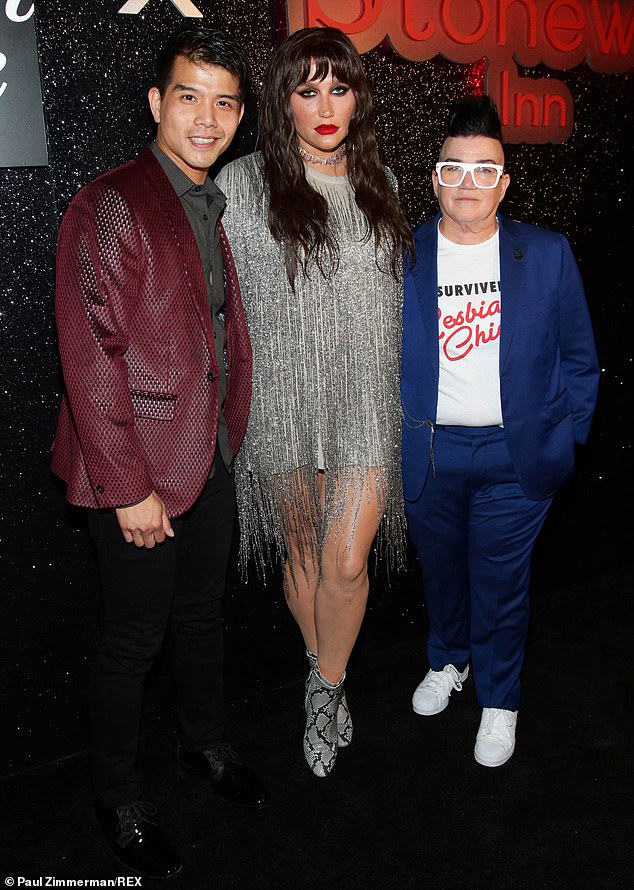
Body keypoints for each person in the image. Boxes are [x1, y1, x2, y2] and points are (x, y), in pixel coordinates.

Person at [51, 27, 269, 880]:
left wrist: (224, 443)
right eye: (190, 96)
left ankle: (202, 746)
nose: (207, 118)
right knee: (133, 641)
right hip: (135, 473)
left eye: (224, 102)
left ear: (241, 115)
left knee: (203, 622)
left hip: (206, 455)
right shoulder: (110, 203)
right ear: (155, 103)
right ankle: (115, 793)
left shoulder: (208, 201)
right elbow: (88, 352)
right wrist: (127, 488)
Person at [216, 27, 413, 778]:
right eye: (307, 90)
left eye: (339, 87)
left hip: (368, 400)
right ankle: (322, 671)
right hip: (280, 401)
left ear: (358, 96)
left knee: (347, 558)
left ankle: (325, 687)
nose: (325, 105)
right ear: (283, 101)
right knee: (302, 555)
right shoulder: (239, 183)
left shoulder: (384, 183)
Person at [401, 95, 599, 767]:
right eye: (453, 168)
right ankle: (448, 659)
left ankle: (500, 700)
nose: (467, 183)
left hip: (517, 459)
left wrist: (565, 438)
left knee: (502, 583)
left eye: (484, 170)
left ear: (504, 183)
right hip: (432, 451)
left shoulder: (545, 254)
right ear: (434, 178)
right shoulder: (400, 256)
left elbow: (579, 357)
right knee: (442, 578)